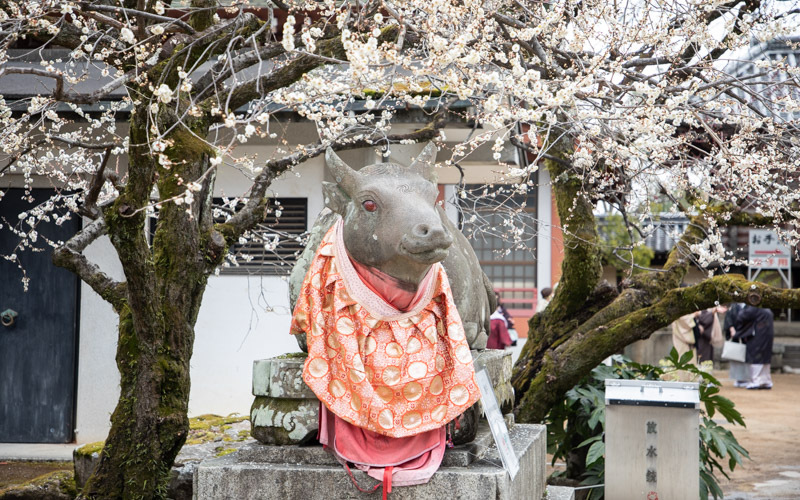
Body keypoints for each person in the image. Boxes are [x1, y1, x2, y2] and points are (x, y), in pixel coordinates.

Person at [733, 305, 775, 390]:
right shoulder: (767, 308)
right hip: (767, 335)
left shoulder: (755, 307)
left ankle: (756, 381)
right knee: (765, 358)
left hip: (758, 335)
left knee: (756, 357)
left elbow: (741, 317)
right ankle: (766, 381)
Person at [723, 302, 750, 387]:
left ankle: (745, 378)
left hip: (746, 336)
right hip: (735, 336)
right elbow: (728, 318)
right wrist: (731, 329)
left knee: (745, 358)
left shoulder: (749, 306)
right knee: (736, 358)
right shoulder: (733, 306)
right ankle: (737, 379)